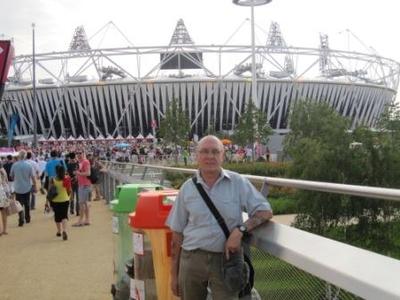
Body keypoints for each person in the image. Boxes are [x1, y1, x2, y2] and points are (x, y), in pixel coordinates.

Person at [166, 135, 273, 300]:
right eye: (205, 152)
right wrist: (174, 275)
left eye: (215, 151)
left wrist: (240, 231)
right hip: (192, 259)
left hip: (226, 259)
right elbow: (177, 234)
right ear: (197, 156)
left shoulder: (237, 182)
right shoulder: (187, 189)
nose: (210, 156)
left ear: (223, 155)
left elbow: (265, 211)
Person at [10, 150, 37, 227]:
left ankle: (21, 219)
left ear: (19, 156)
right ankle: (27, 218)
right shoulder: (29, 165)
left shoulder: (14, 165)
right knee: (27, 203)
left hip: (18, 187)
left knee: (19, 204)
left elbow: (11, 176)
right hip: (27, 187)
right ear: (25, 156)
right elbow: (33, 177)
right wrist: (35, 186)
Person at [47, 165, 71, 240]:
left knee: (57, 216)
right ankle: (64, 230)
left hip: (55, 201)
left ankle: (59, 231)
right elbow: (69, 190)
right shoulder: (66, 179)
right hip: (65, 199)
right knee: (64, 216)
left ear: (56, 171)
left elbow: (49, 191)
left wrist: (47, 201)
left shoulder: (52, 179)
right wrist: (69, 196)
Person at [72, 151, 91, 227]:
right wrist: (77, 175)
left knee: (81, 203)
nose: (79, 155)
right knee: (85, 203)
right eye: (78, 153)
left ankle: (80, 220)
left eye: (80, 153)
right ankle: (87, 220)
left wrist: (78, 173)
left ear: (83, 154)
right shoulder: (79, 162)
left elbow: (88, 173)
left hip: (84, 184)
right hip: (82, 184)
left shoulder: (85, 162)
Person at [0, 163, 10, 236]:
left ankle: (1, 230)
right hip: (2, 193)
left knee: (3, 212)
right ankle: (4, 229)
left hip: (2, 193)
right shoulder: (3, 171)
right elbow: (6, 182)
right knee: (4, 212)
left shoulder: (2, 171)